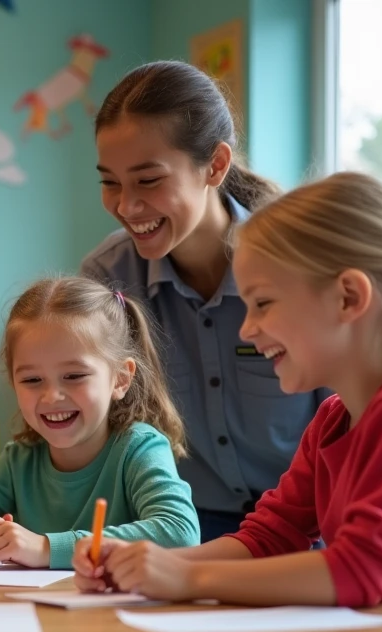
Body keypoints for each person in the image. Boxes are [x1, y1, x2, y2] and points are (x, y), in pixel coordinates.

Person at [74, 172, 382, 609]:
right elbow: (269, 536)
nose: (247, 328)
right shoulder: (334, 419)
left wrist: (189, 577)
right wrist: (145, 565)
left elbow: (360, 572)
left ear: (348, 297)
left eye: (262, 303)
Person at [80, 60, 330, 542]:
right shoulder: (107, 278)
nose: (127, 206)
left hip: (310, 524)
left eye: (148, 180)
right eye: (110, 182)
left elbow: (347, 416)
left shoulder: (299, 262)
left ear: (215, 165)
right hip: (177, 527)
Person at [0, 277, 199, 568]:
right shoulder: (19, 462)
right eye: (32, 380)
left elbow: (180, 533)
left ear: (121, 378)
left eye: (74, 376)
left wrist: (46, 548)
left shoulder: (138, 447)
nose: (52, 396)